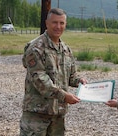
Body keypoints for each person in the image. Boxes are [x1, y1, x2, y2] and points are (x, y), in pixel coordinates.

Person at [20, 8, 87, 136]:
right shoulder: (35, 48)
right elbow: (40, 80)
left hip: (58, 115)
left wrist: (79, 81)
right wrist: (64, 96)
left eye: (61, 23)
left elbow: (71, 76)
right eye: (54, 22)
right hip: (37, 115)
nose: (58, 26)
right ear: (47, 23)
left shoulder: (66, 50)